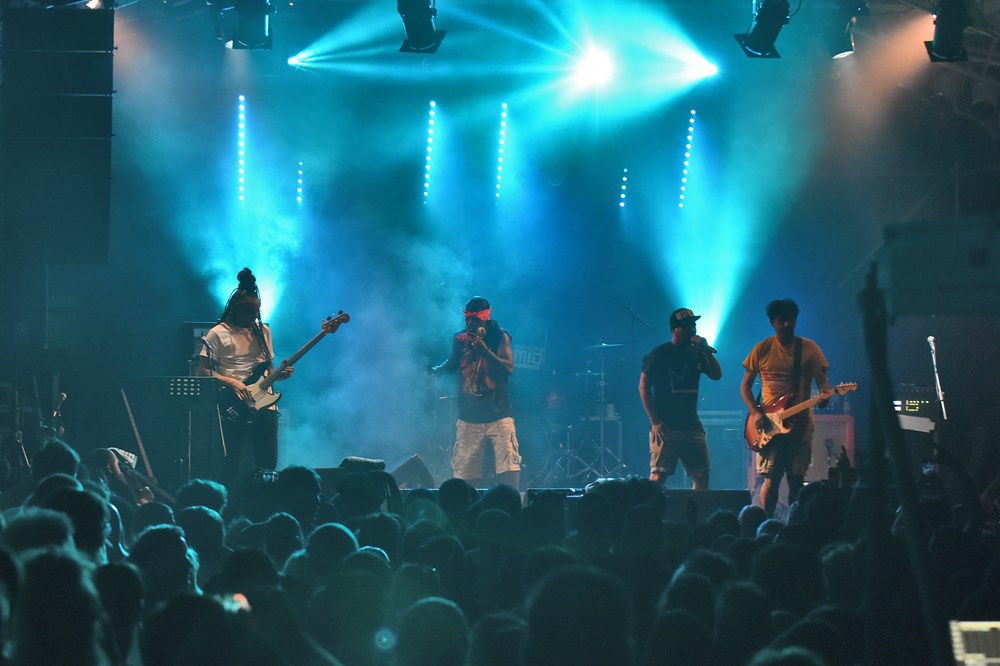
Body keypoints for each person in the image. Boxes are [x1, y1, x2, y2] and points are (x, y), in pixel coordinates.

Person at [198, 268, 292, 486]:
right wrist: (231, 382)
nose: (254, 316)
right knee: (232, 462)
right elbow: (202, 371)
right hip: (235, 403)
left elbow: (268, 368)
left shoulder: (263, 331)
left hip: (266, 405)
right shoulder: (218, 333)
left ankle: (265, 498)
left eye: (257, 311)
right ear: (235, 309)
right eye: (249, 311)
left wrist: (279, 375)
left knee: (267, 462)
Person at [740, 299, 833, 517]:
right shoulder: (762, 349)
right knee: (770, 478)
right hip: (769, 425)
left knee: (796, 479)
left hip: (800, 424)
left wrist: (826, 394)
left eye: (791, 320)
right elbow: (744, 387)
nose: (787, 325)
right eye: (781, 320)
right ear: (773, 322)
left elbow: (823, 384)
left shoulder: (809, 349)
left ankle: (793, 522)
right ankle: (766, 523)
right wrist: (756, 412)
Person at [430, 297, 521, 489]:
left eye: (475, 319)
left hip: (499, 414)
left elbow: (508, 368)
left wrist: (484, 350)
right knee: (465, 472)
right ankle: (467, 504)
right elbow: (452, 364)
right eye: (468, 319)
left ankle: (512, 501)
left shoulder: (499, 336)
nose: (470, 323)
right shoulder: (460, 339)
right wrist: (435, 371)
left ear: (485, 318)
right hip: (469, 416)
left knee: (509, 465)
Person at [639, 308, 722, 490]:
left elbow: (717, 375)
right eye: (686, 326)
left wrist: (706, 351)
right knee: (658, 475)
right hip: (666, 426)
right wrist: (655, 421)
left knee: (702, 475)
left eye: (693, 325)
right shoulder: (660, 353)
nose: (692, 330)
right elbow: (644, 387)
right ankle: (651, 506)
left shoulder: (697, 353)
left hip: (692, 426)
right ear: (674, 330)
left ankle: (697, 507)